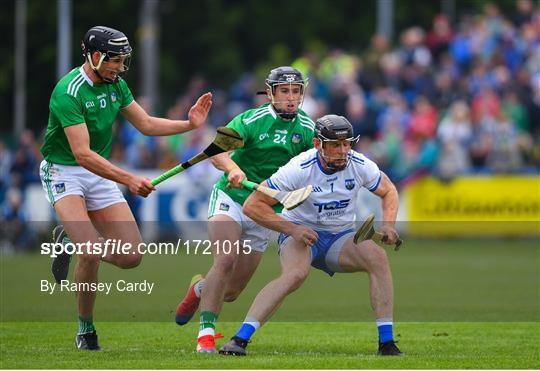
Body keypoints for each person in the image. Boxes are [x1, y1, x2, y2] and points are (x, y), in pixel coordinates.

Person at [39, 26, 212, 350]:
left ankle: (73, 242)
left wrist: (189, 124)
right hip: (66, 171)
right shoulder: (69, 91)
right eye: (115, 60)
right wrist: (128, 178)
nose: (120, 68)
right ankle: (86, 330)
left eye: (123, 61)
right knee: (90, 253)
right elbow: (82, 154)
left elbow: (145, 124)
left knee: (132, 256)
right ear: (94, 56)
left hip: (98, 172)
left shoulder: (116, 84)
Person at [218, 114, 403, 356]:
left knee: (377, 258)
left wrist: (388, 225)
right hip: (299, 236)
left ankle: (387, 343)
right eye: (336, 145)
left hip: (340, 238)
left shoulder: (359, 164)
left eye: (347, 144)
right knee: (295, 275)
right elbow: (253, 205)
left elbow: (388, 190)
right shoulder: (299, 168)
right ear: (318, 144)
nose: (343, 150)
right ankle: (239, 340)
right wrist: (292, 229)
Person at [174, 66, 316, 353]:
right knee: (225, 261)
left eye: (296, 91)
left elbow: (310, 170)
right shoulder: (251, 120)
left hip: (263, 211)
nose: (291, 98)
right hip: (231, 198)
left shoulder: (307, 128)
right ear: (271, 93)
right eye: (285, 91)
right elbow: (217, 151)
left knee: (232, 292)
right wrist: (233, 168)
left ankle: (200, 289)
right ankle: (206, 336)